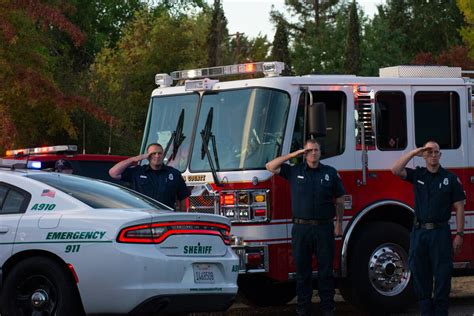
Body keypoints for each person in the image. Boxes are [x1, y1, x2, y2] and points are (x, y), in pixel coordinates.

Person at [266, 138, 345, 316]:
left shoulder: (330, 173)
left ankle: (327, 308)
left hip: (324, 228)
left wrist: (339, 223)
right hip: (301, 229)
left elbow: (340, 199)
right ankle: (303, 308)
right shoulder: (294, 171)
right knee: (302, 271)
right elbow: (270, 166)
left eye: (316, 150)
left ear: (320, 152)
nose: (313, 153)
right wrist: (294, 155)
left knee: (326, 271)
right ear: (305, 153)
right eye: (309, 151)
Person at [391, 141, 465, 315]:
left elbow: (460, 207)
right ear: (424, 155)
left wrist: (459, 234)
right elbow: (395, 170)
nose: (433, 155)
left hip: (440, 233)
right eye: (429, 152)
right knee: (420, 274)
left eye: (436, 152)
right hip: (420, 233)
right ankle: (426, 311)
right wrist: (414, 152)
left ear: (440, 155)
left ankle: (440, 312)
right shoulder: (418, 175)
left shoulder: (450, 179)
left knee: (442, 277)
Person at [109, 143, 190, 211]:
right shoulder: (138, 172)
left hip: (166, 218)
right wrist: (134, 159)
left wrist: (183, 220)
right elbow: (113, 173)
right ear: (147, 156)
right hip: (143, 217)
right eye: (153, 153)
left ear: (163, 155)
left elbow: (183, 198)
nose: (157, 156)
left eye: (159, 153)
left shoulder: (174, 173)